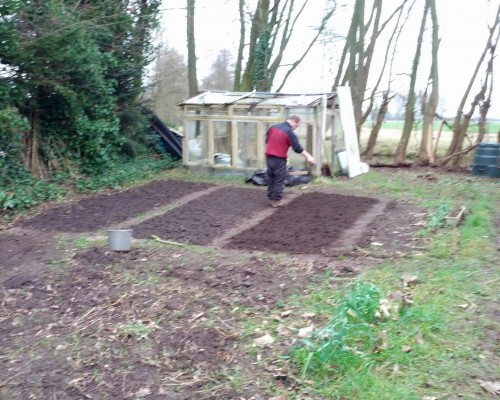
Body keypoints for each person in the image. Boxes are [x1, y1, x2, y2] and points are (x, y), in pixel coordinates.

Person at [265, 115, 315, 207]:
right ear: (293, 121)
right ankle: (276, 200)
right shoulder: (289, 132)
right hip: (279, 159)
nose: (295, 128)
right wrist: (308, 157)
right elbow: (297, 148)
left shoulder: (273, 127)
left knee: (271, 178)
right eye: (297, 126)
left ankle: (271, 197)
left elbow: (267, 140)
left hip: (269, 157)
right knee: (279, 179)